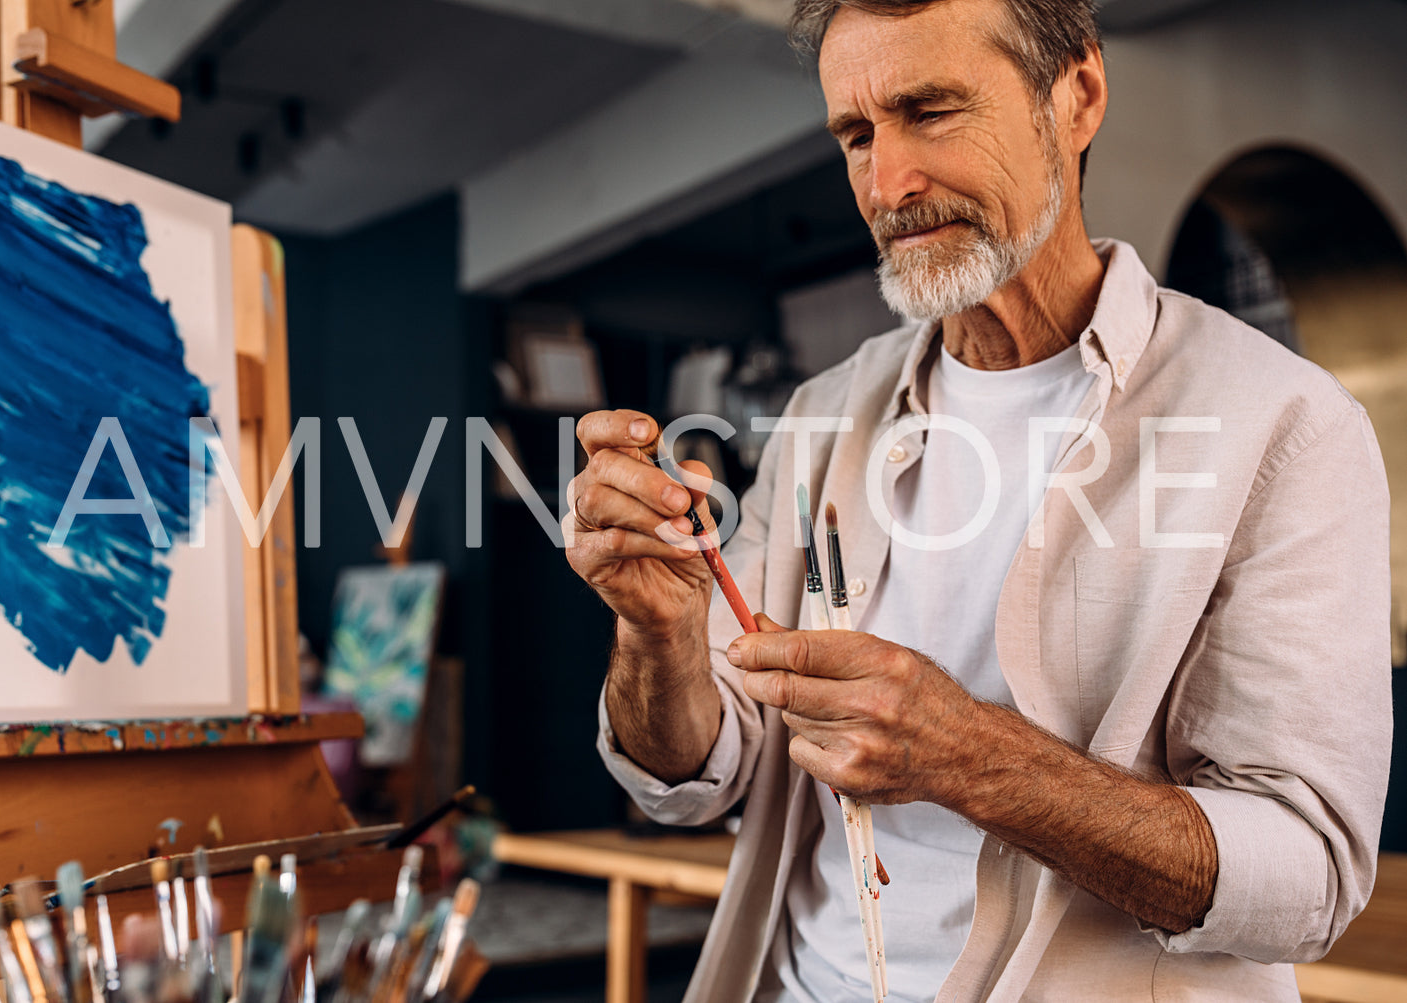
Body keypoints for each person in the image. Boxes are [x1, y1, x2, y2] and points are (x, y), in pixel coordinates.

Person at [565, 0, 1392, 999]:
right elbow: (698, 772)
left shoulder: (1281, 421)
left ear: (1075, 96)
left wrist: (969, 758)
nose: (888, 183)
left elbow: (1306, 876)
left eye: (930, 111)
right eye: (856, 134)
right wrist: (656, 636)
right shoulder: (823, 412)